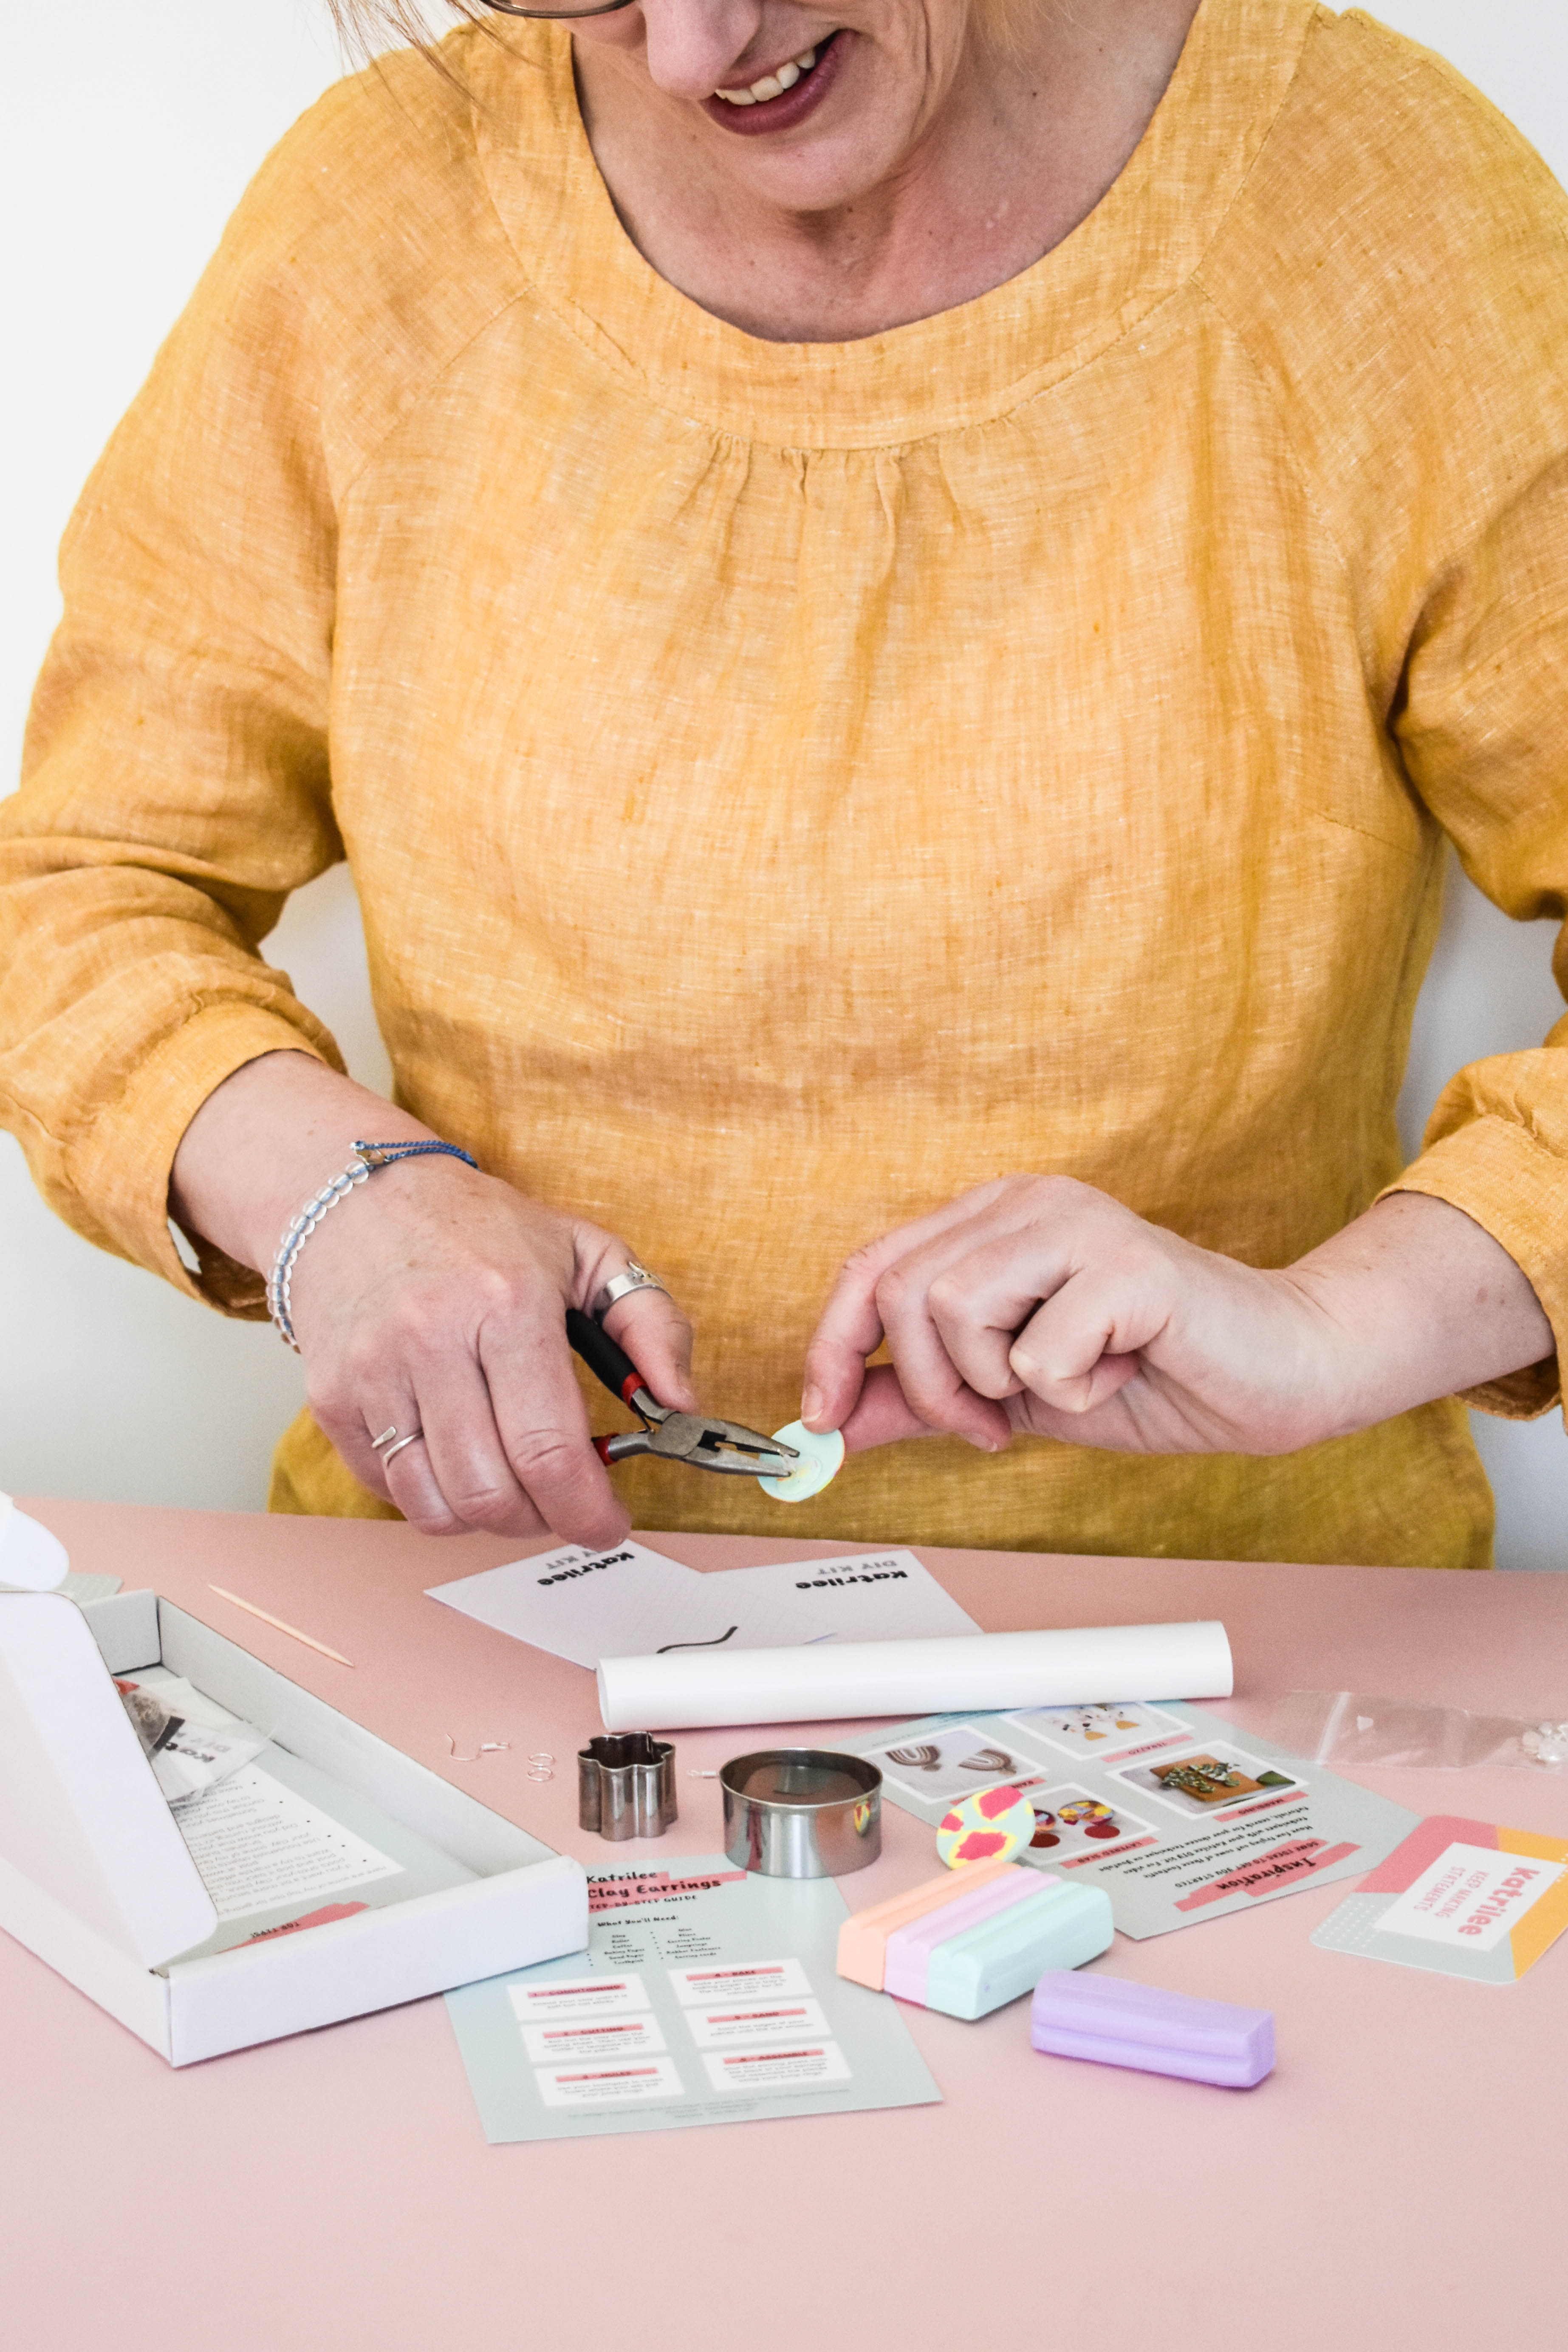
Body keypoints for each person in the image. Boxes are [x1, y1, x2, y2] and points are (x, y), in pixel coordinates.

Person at [3, 0, 1566, 1571]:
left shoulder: (1379, 208)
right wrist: (340, 1203)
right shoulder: (378, 214)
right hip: (464, 1608)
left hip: (1247, 1663)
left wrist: (1318, 1333)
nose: (692, 53)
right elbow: (77, 888)